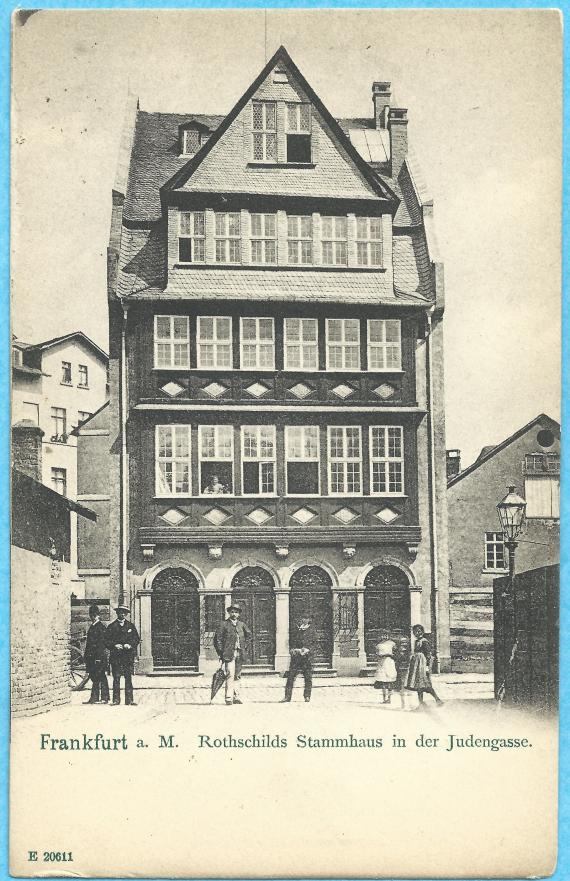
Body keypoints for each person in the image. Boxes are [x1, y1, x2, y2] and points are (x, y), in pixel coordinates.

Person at [214, 604, 251, 705]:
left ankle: (236, 697)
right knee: (230, 674)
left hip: (240, 653)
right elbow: (217, 640)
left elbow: (249, 636)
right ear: (229, 613)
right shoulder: (224, 624)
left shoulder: (241, 625)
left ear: (239, 614)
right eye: (232, 612)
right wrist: (221, 652)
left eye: (236, 612)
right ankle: (229, 698)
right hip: (229, 653)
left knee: (237, 675)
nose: (234, 614)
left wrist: (244, 647)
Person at [105, 603, 140, 706]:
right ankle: (116, 700)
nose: (122, 614)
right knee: (116, 677)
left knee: (128, 677)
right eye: (120, 612)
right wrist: (114, 645)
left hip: (127, 656)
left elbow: (136, 639)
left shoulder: (130, 626)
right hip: (116, 656)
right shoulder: (111, 626)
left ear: (126, 614)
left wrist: (130, 645)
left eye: (124, 613)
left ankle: (129, 700)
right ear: (117, 613)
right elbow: (106, 641)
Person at [405, 624, 443, 708]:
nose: (416, 633)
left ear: (422, 632)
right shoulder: (416, 641)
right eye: (414, 632)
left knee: (425, 684)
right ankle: (421, 704)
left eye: (418, 631)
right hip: (416, 666)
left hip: (422, 665)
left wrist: (427, 667)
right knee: (418, 686)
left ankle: (437, 699)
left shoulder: (424, 641)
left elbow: (428, 655)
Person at [284, 614, 316, 703]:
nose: (304, 620)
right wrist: (293, 649)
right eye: (303, 618)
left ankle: (307, 696)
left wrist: (308, 650)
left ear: (309, 620)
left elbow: (315, 644)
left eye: (306, 618)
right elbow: (291, 642)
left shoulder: (312, 631)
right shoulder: (297, 630)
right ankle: (287, 696)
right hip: (296, 658)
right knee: (290, 677)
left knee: (308, 677)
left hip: (307, 658)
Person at [83, 604, 110, 704]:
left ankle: (104, 698)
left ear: (98, 616)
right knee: (95, 677)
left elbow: (101, 645)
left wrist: (98, 658)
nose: (93, 617)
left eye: (94, 615)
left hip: (99, 657)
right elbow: (89, 644)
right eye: (91, 615)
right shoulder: (92, 627)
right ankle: (94, 698)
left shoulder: (101, 627)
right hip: (92, 657)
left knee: (101, 676)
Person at [374, 628, 397, 705]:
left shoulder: (392, 644)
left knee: (390, 680)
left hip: (389, 662)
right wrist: (379, 656)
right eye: (383, 635)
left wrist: (391, 655)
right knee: (383, 681)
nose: (385, 637)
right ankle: (384, 698)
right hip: (382, 663)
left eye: (386, 635)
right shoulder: (379, 645)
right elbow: (376, 655)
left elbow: (396, 653)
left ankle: (389, 698)